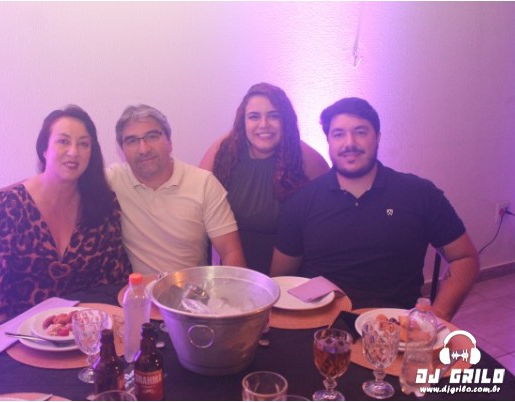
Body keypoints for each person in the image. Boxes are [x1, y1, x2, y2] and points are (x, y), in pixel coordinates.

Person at [270, 97, 479, 321]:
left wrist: (437, 316)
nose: (349, 143)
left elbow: (465, 258)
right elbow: (281, 279)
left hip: (396, 328)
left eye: (360, 132)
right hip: (321, 328)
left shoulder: (419, 194)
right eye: (338, 134)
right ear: (329, 141)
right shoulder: (302, 202)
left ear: (377, 137)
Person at [0, 105, 131, 328]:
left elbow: (114, 282)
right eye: (63, 141)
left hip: (83, 332)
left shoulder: (102, 205)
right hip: (16, 334)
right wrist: (14, 342)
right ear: (44, 149)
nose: (74, 152)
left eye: (84, 144)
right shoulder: (7, 208)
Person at [199, 83, 329, 274]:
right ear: (243, 122)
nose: (264, 125)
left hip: (291, 277)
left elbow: (330, 213)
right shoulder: (223, 150)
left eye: (274, 116)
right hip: (234, 273)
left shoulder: (306, 158)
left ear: (286, 121)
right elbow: (197, 200)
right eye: (254, 116)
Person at [108, 104, 246, 274]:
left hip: (191, 288)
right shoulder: (113, 181)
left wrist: (232, 289)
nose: (143, 149)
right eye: (132, 141)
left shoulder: (203, 184)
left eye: (152, 136)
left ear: (170, 142)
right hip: (138, 289)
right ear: (122, 150)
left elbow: (231, 252)